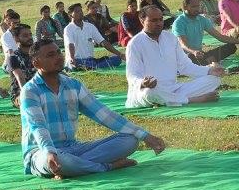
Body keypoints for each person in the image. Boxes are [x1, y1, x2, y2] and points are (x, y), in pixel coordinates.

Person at [21, 38, 166, 180]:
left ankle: (75, 168)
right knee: (62, 161)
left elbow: (104, 114)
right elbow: (37, 126)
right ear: (36, 63)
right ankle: (106, 167)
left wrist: (144, 135)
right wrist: (50, 152)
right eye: (51, 55)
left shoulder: (73, 85)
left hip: (74, 148)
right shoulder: (30, 91)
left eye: (59, 52)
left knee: (131, 140)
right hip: (41, 152)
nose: (59, 57)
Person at [126, 6, 224, 108]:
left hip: (174, 89)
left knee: (213, 80)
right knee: (149, 94)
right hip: (148, 90)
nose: (159, 23)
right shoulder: (135, 44)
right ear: (142, 21)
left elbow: (185, 66)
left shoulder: (170, 38)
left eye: (161, 19)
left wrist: (209, 71)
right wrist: (143, 83)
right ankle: (193, 99)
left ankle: (169, 100)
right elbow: (132, 75)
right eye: (154, 20)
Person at [173, 0, 239, 66]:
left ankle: (205, 62)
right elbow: (183, 44)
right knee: (190, 57)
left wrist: (237, 41)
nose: (197, 9)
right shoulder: (179, 23)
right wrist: (194, 52)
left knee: (231, 47)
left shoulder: (202, 20)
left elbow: (219, 37)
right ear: (185, 7)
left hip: (199, 55)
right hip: (184, 56)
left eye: (198, 6)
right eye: (193, 6)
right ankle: (205, 62)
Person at [63, 3, 124, 70]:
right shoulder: (68, 29)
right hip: (77, 60)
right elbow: (70, 44)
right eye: (77, 11)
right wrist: (72, 58)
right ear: (70, 15)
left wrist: (120, 54)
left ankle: (91, 66)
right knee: (80, 64)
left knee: (117, 59)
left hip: (90, 60)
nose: (80, 13)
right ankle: (88, 66)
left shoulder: (90, 26)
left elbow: (103, 42)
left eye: (81, 11)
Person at [8, 24, 36, 105]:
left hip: (40, 88)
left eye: (30, 35)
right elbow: (20, 78)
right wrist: (27, 95)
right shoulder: (13, 57)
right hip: (20, 92)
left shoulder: (38, 54)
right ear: (16, 38)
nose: (30, 37)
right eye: (25, 36)